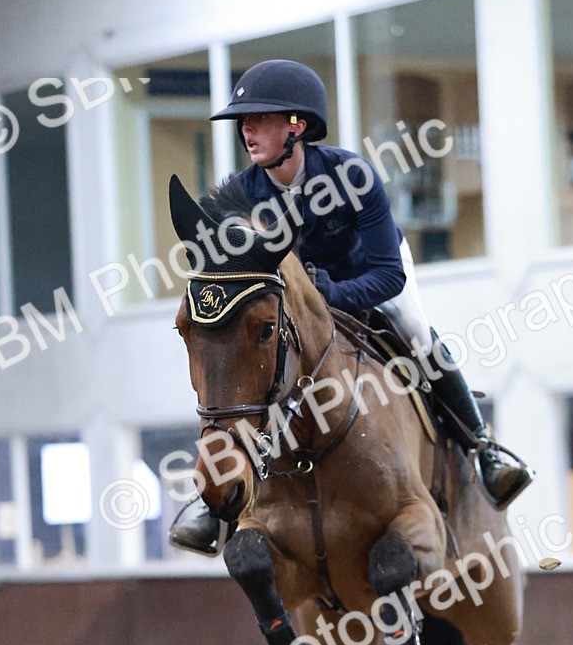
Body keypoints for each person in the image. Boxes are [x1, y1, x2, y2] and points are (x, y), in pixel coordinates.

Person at [170, 59, 533, 555]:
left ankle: (482, 449)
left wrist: (328, 298)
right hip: (300, 301)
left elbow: (390, 276)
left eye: (260, 119)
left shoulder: (351, 175)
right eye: (244, 121)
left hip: (369, 276)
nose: (247, 130)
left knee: (418, 335)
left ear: (296, 127)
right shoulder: (242, 193)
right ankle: (214, 505)